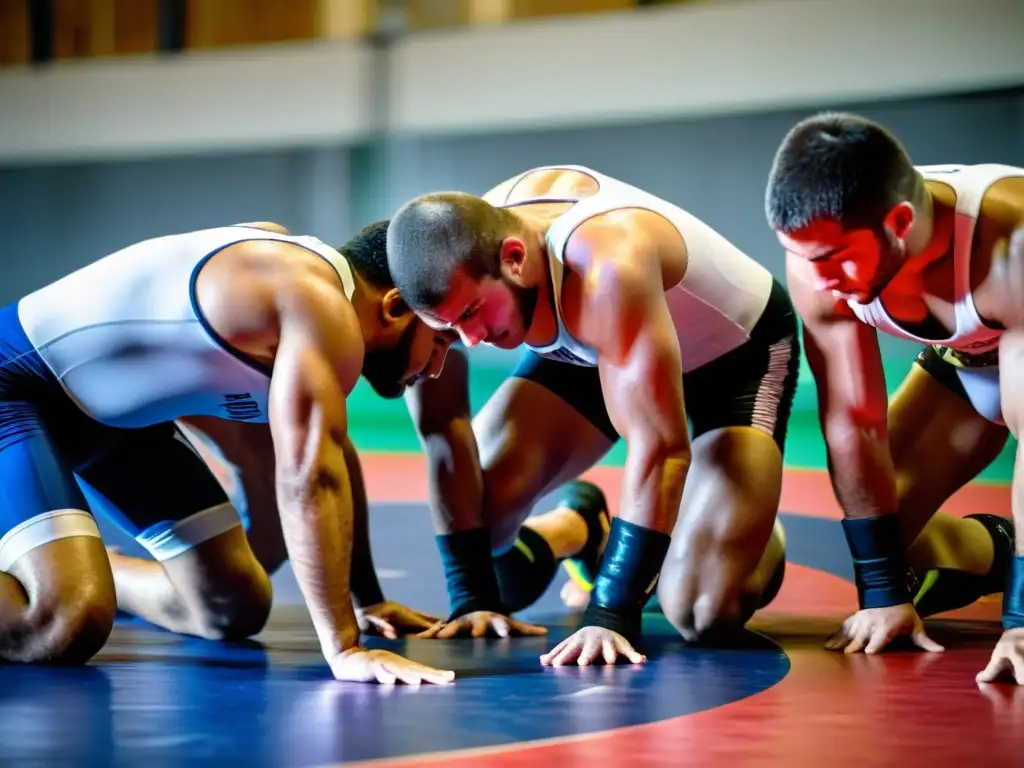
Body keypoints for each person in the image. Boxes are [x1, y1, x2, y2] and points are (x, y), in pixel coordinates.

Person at [0, 219, 455, 686]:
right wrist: (344, 648)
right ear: (396, 307)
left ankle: (92, 569)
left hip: (107, 417)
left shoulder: (307, 297)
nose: (437, 367)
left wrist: (369, 600)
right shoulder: (315, 300)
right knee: (62, 622)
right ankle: (64, 579)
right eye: (440, 340)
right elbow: (310, 478)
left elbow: (334, 455)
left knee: (232, 605)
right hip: (14, 385)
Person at [387, 164, 798, 666]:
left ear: (515, 259)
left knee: (703, 610)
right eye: (449, 327)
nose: (470, 341)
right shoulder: (456, 258)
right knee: (479, 536)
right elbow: (440, 432)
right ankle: (579, 526)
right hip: (593, 348)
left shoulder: (608, 260)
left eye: (472, 316)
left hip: (731, 359)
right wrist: (472, 597)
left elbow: (661, 447)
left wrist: (610, 612)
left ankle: (751, 529)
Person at [764, 111, 1023, 679]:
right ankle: (998, 550)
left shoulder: (1013, 246)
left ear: (900, 222)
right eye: (802, 257)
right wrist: (883, 594)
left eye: (834, 259)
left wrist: (1021, 622)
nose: (819, 279)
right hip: (968, 360)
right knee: (884, 547)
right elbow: (853, 423)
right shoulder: (817, 260)